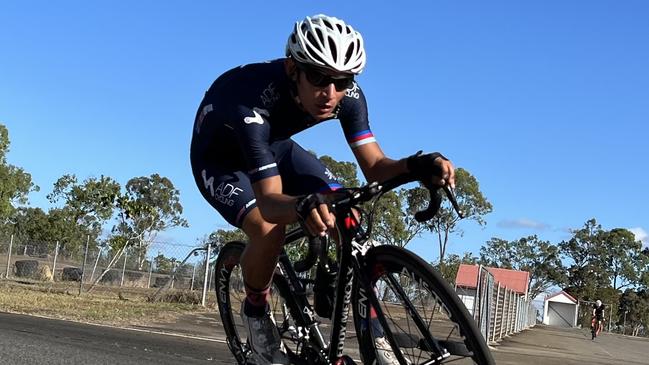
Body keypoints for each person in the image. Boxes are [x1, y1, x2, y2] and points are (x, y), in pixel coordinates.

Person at [190, 14, 455, 365]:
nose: (330, 93)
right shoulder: (250, 101)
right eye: (318, 77)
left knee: (349, 209)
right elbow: (270, 203)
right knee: (270, 230)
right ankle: (255, 313)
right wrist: (302, 205)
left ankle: (361, 318)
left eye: (342, 80)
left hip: (276, 147)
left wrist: (416, 165)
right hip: (221, 161)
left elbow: (375, 167)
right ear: (292, 69)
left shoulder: (348, 97)